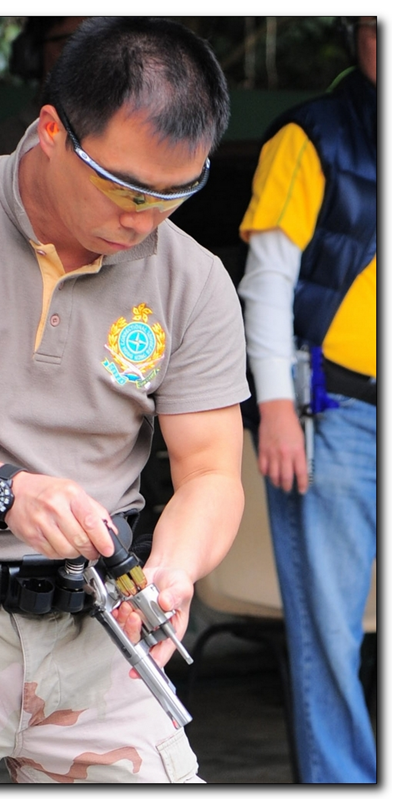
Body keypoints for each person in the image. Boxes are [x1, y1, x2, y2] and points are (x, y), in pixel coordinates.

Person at [0, 17, 249, 784]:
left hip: (100, 626)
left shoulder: (193, 278)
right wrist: (2, 491)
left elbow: (211, 473)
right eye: (124, 188)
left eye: (174, 193)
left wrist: (174, 571)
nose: (143, 220)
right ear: (51, 132)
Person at [237, 16, 376, 784]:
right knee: (330, 632)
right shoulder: (313, 134)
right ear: (357, 36)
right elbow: (266, 284)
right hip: (336, 413)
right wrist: (276, 409)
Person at [0, 17, 86, 160]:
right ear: (33, 54)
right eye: (68, 44)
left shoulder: (110, 133)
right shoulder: (0, 146)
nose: (85, 57)